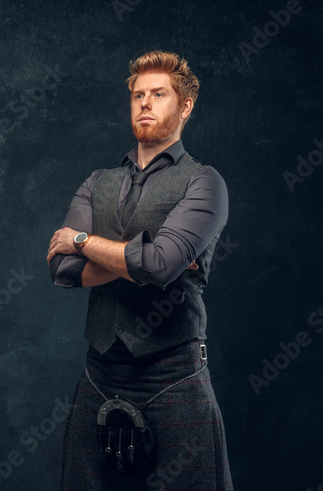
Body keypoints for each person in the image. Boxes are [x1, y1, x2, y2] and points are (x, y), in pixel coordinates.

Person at [47, 50, 234, 491]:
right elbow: (64, 269)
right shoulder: (97, 181)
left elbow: (158, 264)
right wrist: (146, 259)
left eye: (158, 94)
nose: (145, 103)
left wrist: (82, 240)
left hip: (175, 377)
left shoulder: (205, 182)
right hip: (99, 372)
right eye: (137, 95)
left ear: (184, 106)